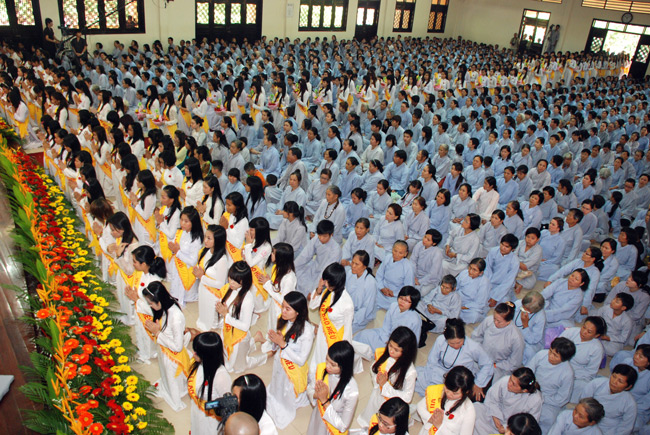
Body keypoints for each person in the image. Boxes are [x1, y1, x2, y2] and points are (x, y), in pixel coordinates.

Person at [263, 291, 315, 429]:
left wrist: (283, 345)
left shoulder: (307, 331)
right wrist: (275, 340)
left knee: (286, 395)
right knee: (276, 386)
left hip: (293, 370)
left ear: (298, 312)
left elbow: (301, 360)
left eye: (287, 309)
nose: (283, 311)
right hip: (280, 363)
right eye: (282, 306)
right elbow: (279, 345)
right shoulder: (283, 320)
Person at [415, 318, 494, 400]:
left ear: (464, 337)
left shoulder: (473, 347)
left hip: (459, 377)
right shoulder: (440, 340)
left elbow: (487, 364)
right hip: (440, 372)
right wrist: (430, 376)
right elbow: (432, 360)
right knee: (418, 378)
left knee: (456, 394)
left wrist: (478, 384)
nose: (456, 346)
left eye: (459, 342)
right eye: (451, 343)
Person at [356, 327, 418, 428]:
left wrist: (385, 385)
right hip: (378, 394)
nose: (391, 351)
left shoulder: (410, 372)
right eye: (390, 345)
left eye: (396, 350)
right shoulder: (386, 355)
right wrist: (377, 378)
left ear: (406, 352)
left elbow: (407, 397)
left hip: (392, 404)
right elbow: (374, 367)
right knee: (372, 412)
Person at [143, 281, 191, 411]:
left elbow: (177, 347)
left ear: (159, 301)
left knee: (172, 380)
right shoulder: (165, 307)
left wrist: (158, 333)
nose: (150, 306)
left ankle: (176, 398)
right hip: (164, 349)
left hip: (173, 356)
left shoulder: (176, 317)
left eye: (151, 303)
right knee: (165, 376)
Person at [308, 263, 354, 374]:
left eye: (327, 281)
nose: (324, 283)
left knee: (328, 365)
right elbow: (312, 306)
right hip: (322, 334)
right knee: (318, 359)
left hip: (334, 339)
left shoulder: (347, 304)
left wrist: (343, 352)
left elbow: (348, 331)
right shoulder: (328, 292)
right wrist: (319, 289)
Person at [354, 286, 422, 360]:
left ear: (413, 303)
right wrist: (386, 339)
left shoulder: (415, 320)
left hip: (398, 345)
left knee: (388, 353)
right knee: (364, 335)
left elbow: (414, 341)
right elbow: (386, 326)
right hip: (386, 336)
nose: (402, 302)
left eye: (406, 301)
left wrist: (394, 345)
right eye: (401, 298)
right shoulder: (393, 306)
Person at [307, 341, 359, 435]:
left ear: (344, 366)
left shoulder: (351, 391)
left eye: (333, 365)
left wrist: (324, 401)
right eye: (327, 359)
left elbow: (343, 426)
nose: (327, 366)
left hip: (332, 426)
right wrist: (316, 395)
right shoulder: (322, 369)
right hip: (318, 416)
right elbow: (310, 388)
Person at [472, 368, 543, 435]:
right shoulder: (504, 381)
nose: (509, 384)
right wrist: (496, 419)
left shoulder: (536, 399)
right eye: (510, 379)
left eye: (513, 384)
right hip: (493, 417)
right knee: (476, 408)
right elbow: (491, 400)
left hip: (511, 428)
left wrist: (506, 427)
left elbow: (529, 423)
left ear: (524, 390)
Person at [527, 337, 576, 432]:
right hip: (531, 390)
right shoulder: (541, 355)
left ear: (564, 359)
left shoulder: (568, 373)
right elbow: (528, 371)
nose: (551, 356)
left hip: (549, 401)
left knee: (548, 420)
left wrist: (541, 398)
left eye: (555, 356)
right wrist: (530, 387)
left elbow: (562, 399)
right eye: (550, 351)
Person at [188, 332, 231, 435]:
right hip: (198, 411)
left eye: (197, 352)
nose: (193, 354)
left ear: (207, 356)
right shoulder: (198, 363)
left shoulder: (221, 377)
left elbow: (227, 405)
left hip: (210, 421)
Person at [217, 261, 256, 373]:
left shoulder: (247, 299)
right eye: (230, 278)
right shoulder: (228, 288)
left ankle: (267, 355)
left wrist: (226, 315)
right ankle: (255, 339)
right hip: (227, 330)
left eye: (236, 280)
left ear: (245, 281)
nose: (231, 282)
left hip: (239, 336)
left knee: (239, 366)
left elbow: (245, 326)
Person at [579, 364, 638, 435]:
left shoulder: (630, 404)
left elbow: (626, 427)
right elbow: (582, 405)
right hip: (587, 421)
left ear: (628, 387)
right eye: (614, 376)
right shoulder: (596, 384)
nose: (614, 382)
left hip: (609, 429)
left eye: (620, 381)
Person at [416, 365, 476, 435]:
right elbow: (420, 406)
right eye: (447, 389)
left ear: (466, 392)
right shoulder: (439, 390)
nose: (449, 394)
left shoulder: (469, 410)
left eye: (455, 393)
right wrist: (431, 418)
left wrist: (440, 425)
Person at [472, 302, 525, 380]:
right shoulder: (489, 321)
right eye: (494, 318)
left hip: (498, 367)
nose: (495, 322)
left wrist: (496, 365)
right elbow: (476, 336)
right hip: (480, 357)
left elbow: (514, 363)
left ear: (508, 321)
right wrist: (479, 352)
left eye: (499, 321)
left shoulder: (516, 338)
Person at [560, 317, 607, 402]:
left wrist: (571, 375)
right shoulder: (571, 332)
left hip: (577, 374)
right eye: (584, 327)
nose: (584, 332)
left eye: (589, 332)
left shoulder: (597, 349)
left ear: (596, 335)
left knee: (584, 387)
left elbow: (590, 372)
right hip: (559, 364)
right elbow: (556, 347)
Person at [295, 220, 342, 295]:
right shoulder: (316, 238)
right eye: (319, 235)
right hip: (314, 267)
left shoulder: (336, 250)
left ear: (331, 234)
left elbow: (326, 271)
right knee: (296, 275)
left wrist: (314, 290)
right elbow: (305, 255)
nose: (321, 238)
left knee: (311, 290)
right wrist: (292, 267)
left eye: (324, 236)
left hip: (325, 276)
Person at [375, 240, 415, 310]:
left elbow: (408, 287)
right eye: (395, 251)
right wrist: (381, 288)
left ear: (405, 254)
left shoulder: (408, 267)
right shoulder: (388, 257)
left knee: (397, 305)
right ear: (392, 249)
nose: (396, 254)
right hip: (383, 287)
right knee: (370, 290)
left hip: (396, 294)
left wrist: (394, 293)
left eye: (400, 253)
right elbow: (379, 275)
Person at [346, 250, 378, 333]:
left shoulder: (370, 282)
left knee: (343, 330)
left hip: (362, 315)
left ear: (365, 266)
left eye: (357, 264)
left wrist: (352, 319)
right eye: (352, 262)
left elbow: (367, 307)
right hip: (348, 308)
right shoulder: (349, 273)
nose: (353, 266)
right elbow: (344, 293)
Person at [513, 291, 546, 364]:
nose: (523, 309)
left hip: (529, 341)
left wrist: (525, 325)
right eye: (523, 307)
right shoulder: (518, 304)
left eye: (526, 309)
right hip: (513, 333)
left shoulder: (540, 317)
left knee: (530, 353)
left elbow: (534, 340)